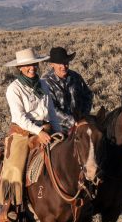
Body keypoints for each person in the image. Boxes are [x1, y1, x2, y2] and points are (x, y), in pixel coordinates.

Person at [0, 47, 60, 222]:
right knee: (15, 165)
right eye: (26, 65)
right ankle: (10, 206)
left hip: (46, 129)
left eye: (33, 64)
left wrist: (59, 131)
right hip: (23, 133)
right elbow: (19, 117)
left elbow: (51, 112)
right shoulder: (14, 88)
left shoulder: (43, 85)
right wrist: (38, 131)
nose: (31, 68)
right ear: (20, 68)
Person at [42, 46, 100, 185]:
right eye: (60, 63)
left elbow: (88, 94)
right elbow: (51, 108)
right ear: (52, 64)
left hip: (80, 124)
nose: (64, 66)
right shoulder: (45, 82)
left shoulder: (75, 77)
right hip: (58, 128)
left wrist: (84, 116)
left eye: (66, 62)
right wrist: (72, 121)